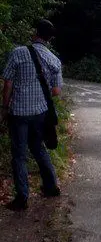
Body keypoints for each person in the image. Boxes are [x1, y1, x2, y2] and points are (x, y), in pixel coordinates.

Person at [2, 19, 63, 211]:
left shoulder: (18, 52)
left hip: (19, 112)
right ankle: (51, 186)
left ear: (35, 33)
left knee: (19, 155)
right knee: (38, 148)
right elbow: (55, 91)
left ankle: (22, 197)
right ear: (49, 39)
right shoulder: (54, 59)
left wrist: (5, 107)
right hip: (40, 113)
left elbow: (8, 83)